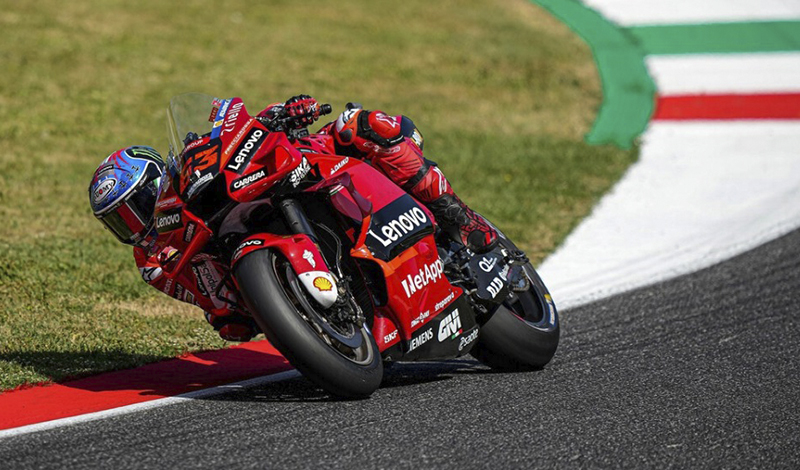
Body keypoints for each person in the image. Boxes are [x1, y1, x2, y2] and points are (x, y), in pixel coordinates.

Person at [88, 95, 497, 342]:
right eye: (119, 221)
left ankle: (460, 219)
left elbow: (237, 133)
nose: (134, 223)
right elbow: (217, 308)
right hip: (254, 253)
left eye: (134, 206)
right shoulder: (155, 262)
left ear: (157, 179)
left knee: (359, 127)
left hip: (297, 168)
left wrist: (283, 113)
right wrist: (234, 309)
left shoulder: (186, 179)